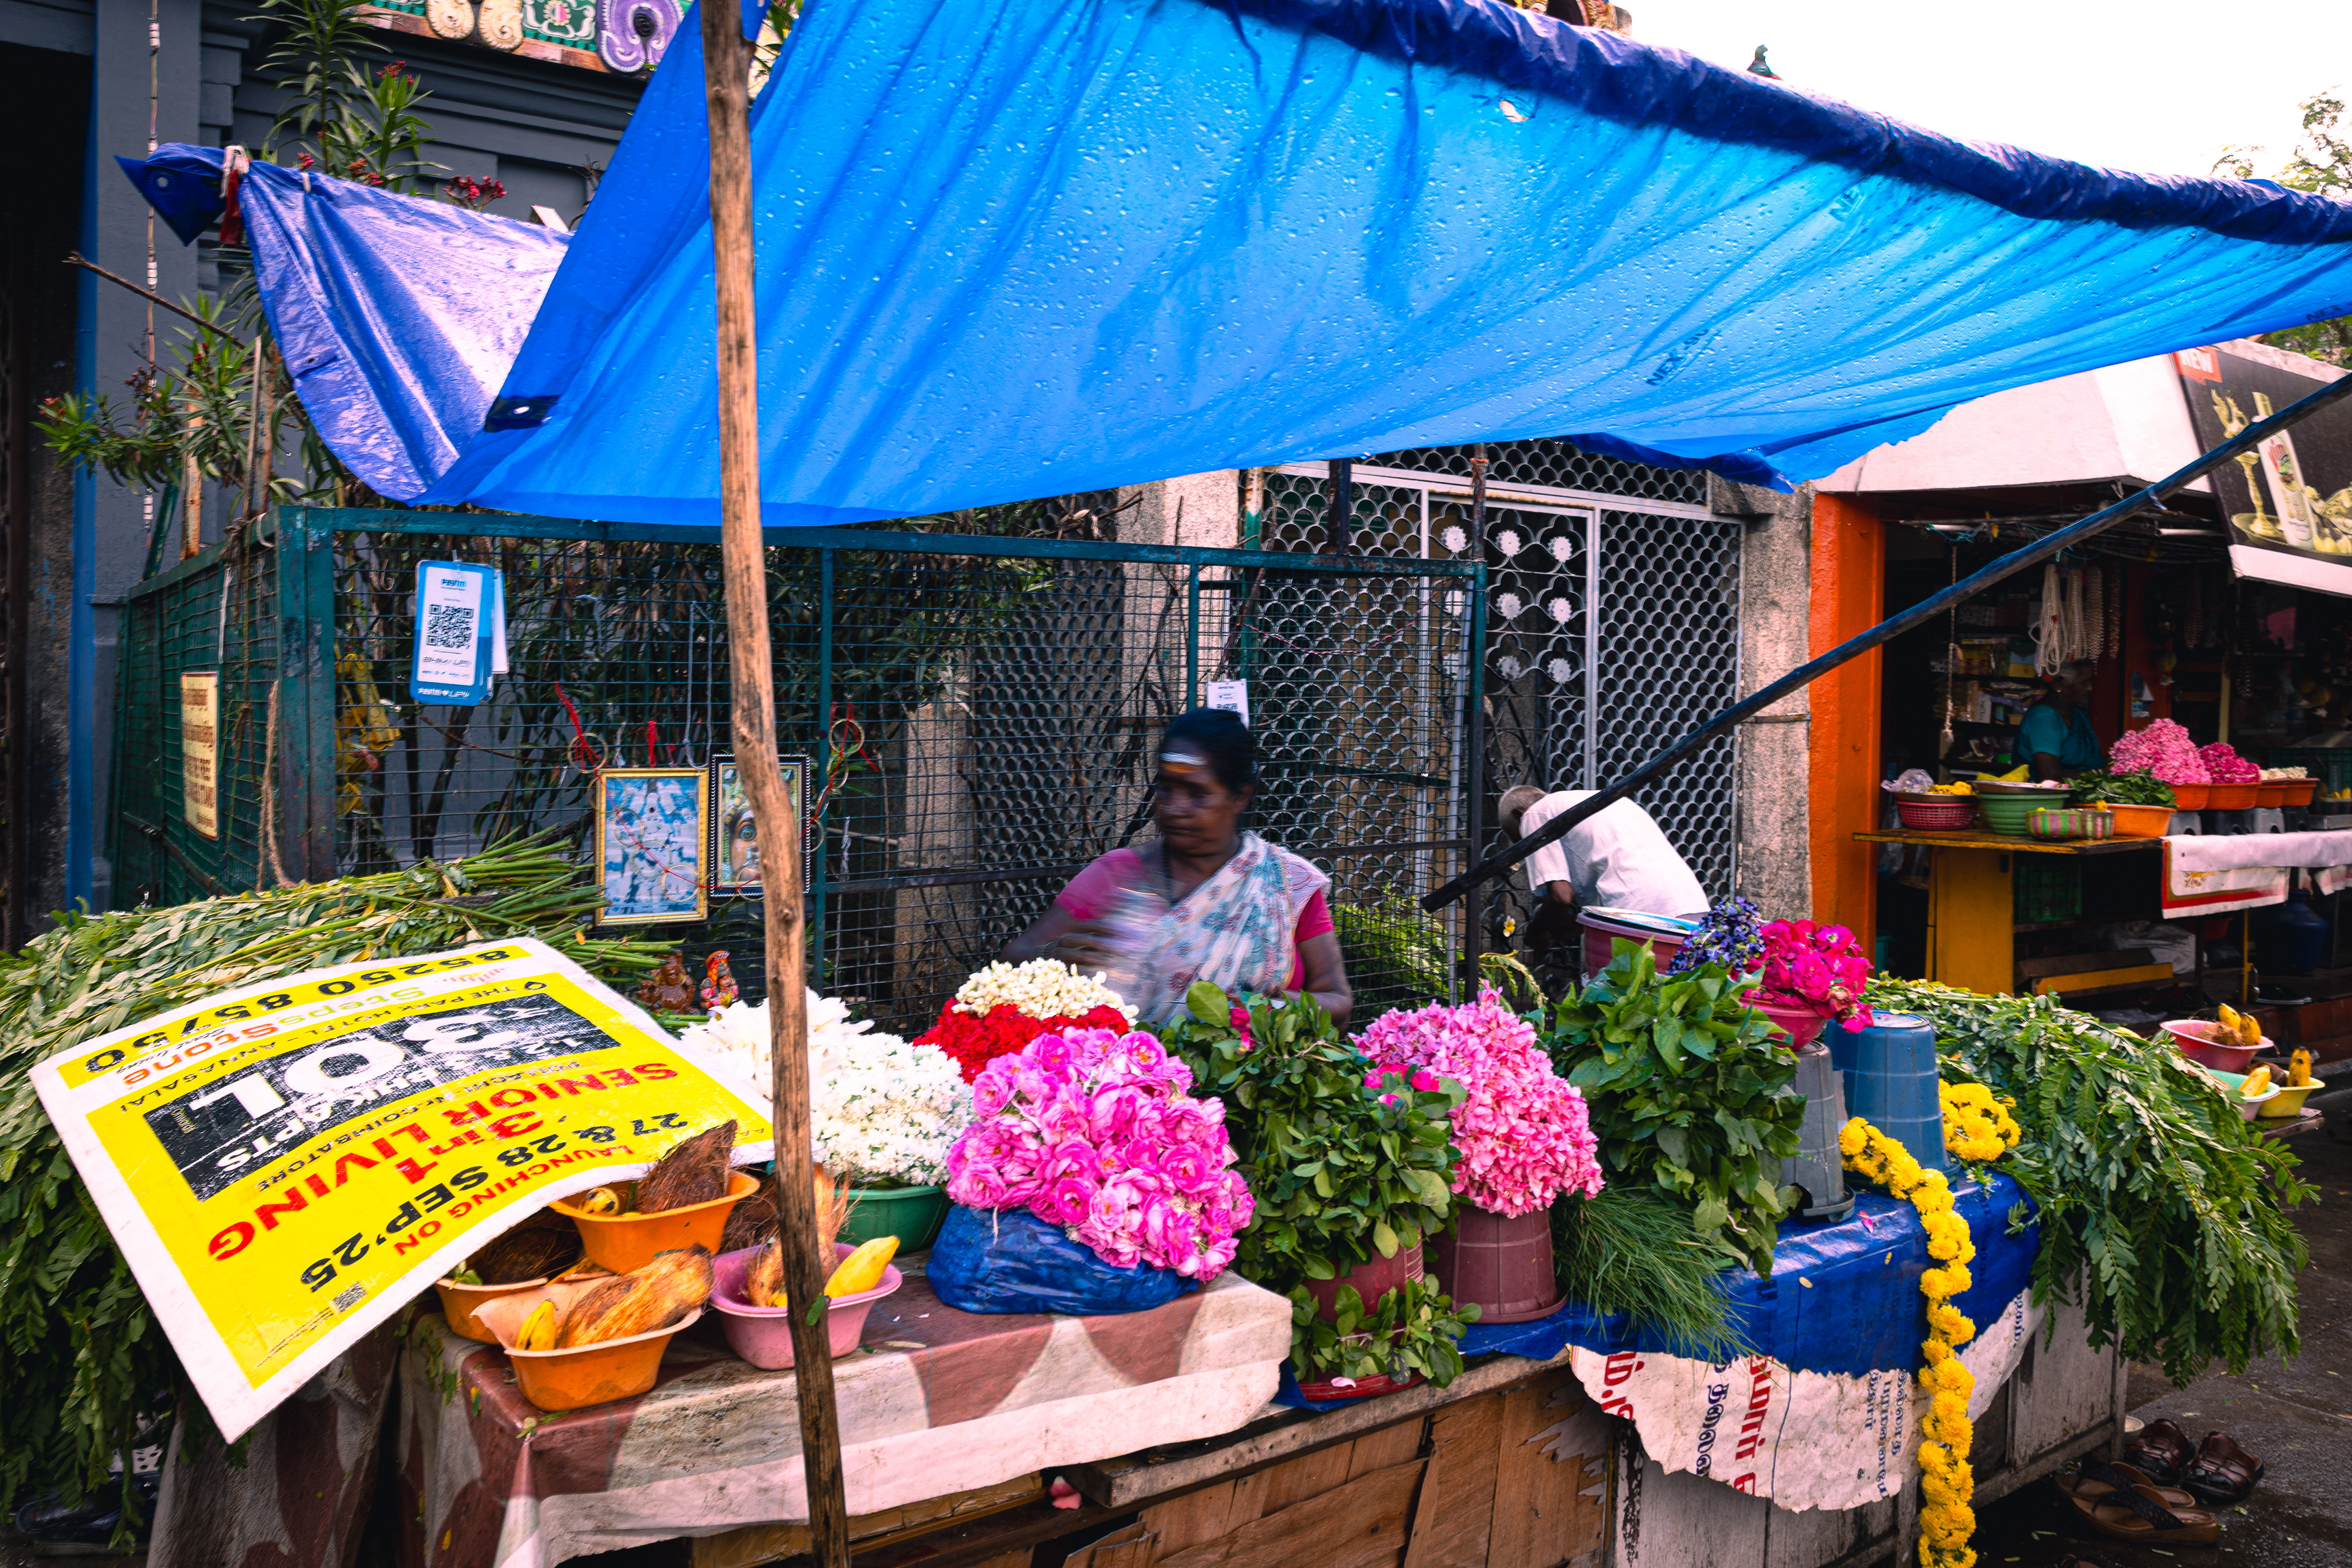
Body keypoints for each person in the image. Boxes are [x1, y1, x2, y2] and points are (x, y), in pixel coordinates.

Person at [1001, 707, 1352, 1026]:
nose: (1173, 807)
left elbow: (1337, 1000)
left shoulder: (1286, 883)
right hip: (1128, 1075)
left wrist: (1268, 1006)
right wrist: (1049, 958)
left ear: (1240, 796)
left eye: (1197, 794)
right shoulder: (1116, 875)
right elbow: (1012, 958)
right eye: (1166, 788)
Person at [1496, 785, 1708, 948]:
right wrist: (1579, 924)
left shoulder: (1533, 814)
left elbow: (1561, 897)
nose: (1526, 850)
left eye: (1520, 841)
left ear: (1518, 814)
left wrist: (1535, 933)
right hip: (1691, 905)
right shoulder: (1601, 800)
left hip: (1642, 918)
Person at [2018, 660, 2106, 782]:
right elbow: (2049, 777)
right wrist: (2104, 773)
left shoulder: (2077, 713)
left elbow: (2090, 762)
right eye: (2084, 683)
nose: (2090, 688)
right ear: (2059, 684)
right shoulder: (2044, 719)